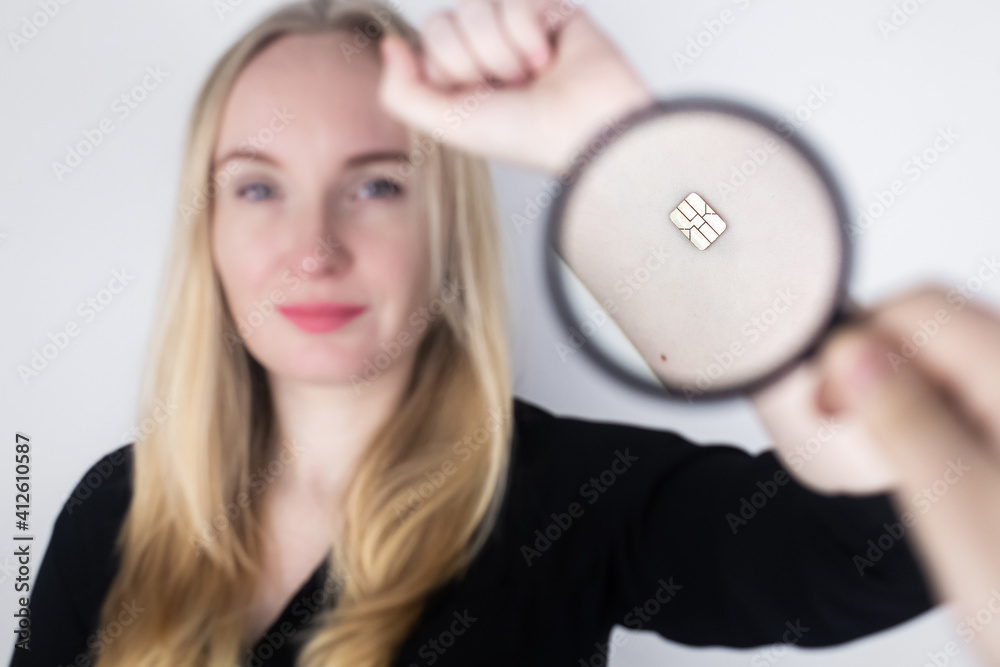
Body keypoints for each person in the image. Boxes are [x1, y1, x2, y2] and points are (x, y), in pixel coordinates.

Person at [8, 0, 990, 665]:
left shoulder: (570, 501)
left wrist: (627, 152)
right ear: (206, 231)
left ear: (446, 233)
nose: (313, 248)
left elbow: (890, 534)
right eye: (258, 186)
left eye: (378, 184)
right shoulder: (114, 506)